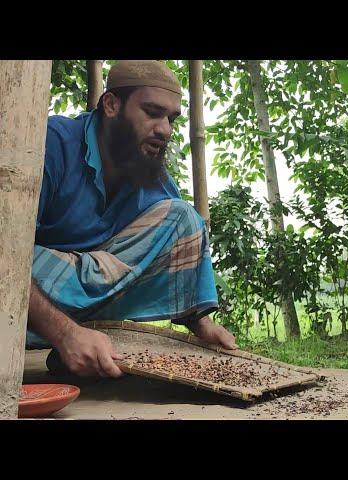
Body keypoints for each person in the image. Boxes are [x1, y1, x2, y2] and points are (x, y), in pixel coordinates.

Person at [27, 60, 236, 378]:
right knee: (14, 260)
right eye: (152, 112)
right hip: (25, 295)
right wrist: (65, 334)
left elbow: (178, 243)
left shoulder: (152, 177)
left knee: (182, 218)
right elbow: (6, 260)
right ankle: (71, 338)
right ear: (111, 104)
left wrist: (201, 325)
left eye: (171, 119)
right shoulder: (52, 144)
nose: (165, 129)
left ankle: (90, 342)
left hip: (87, 300)